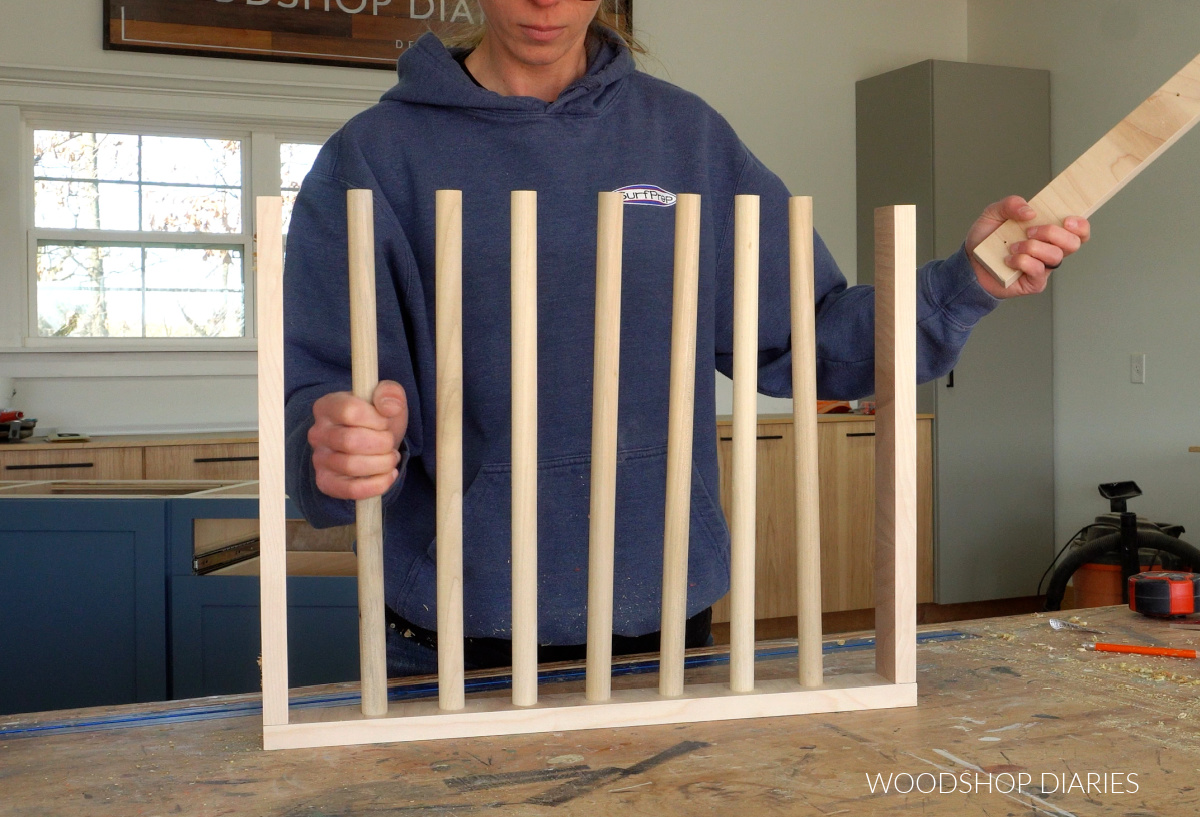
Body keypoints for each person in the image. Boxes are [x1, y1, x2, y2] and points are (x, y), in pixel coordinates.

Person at [283, 0, 1090, 677]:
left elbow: (813, 337)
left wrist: (967, 282)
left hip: (664, 610)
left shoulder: (686, 139)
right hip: (460, 626)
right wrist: (338, 439)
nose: (544, 3)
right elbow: (322, 394)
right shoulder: (375, 156)